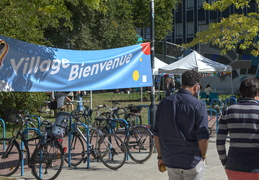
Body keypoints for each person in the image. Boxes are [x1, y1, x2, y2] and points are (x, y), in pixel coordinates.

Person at [154, 70, 209, 180]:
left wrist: (160, 156)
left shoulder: (164, 102)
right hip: (191, 159)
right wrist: (203, 155)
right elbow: (203, 137)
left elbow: (156, 134)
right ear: (196, 87)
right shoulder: (198, 105)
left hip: (170, 159)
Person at [216, 77, 259, 180]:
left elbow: (220, 142)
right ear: (257, 92)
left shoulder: (228, 111)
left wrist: (225, 162)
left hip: (233, 166)